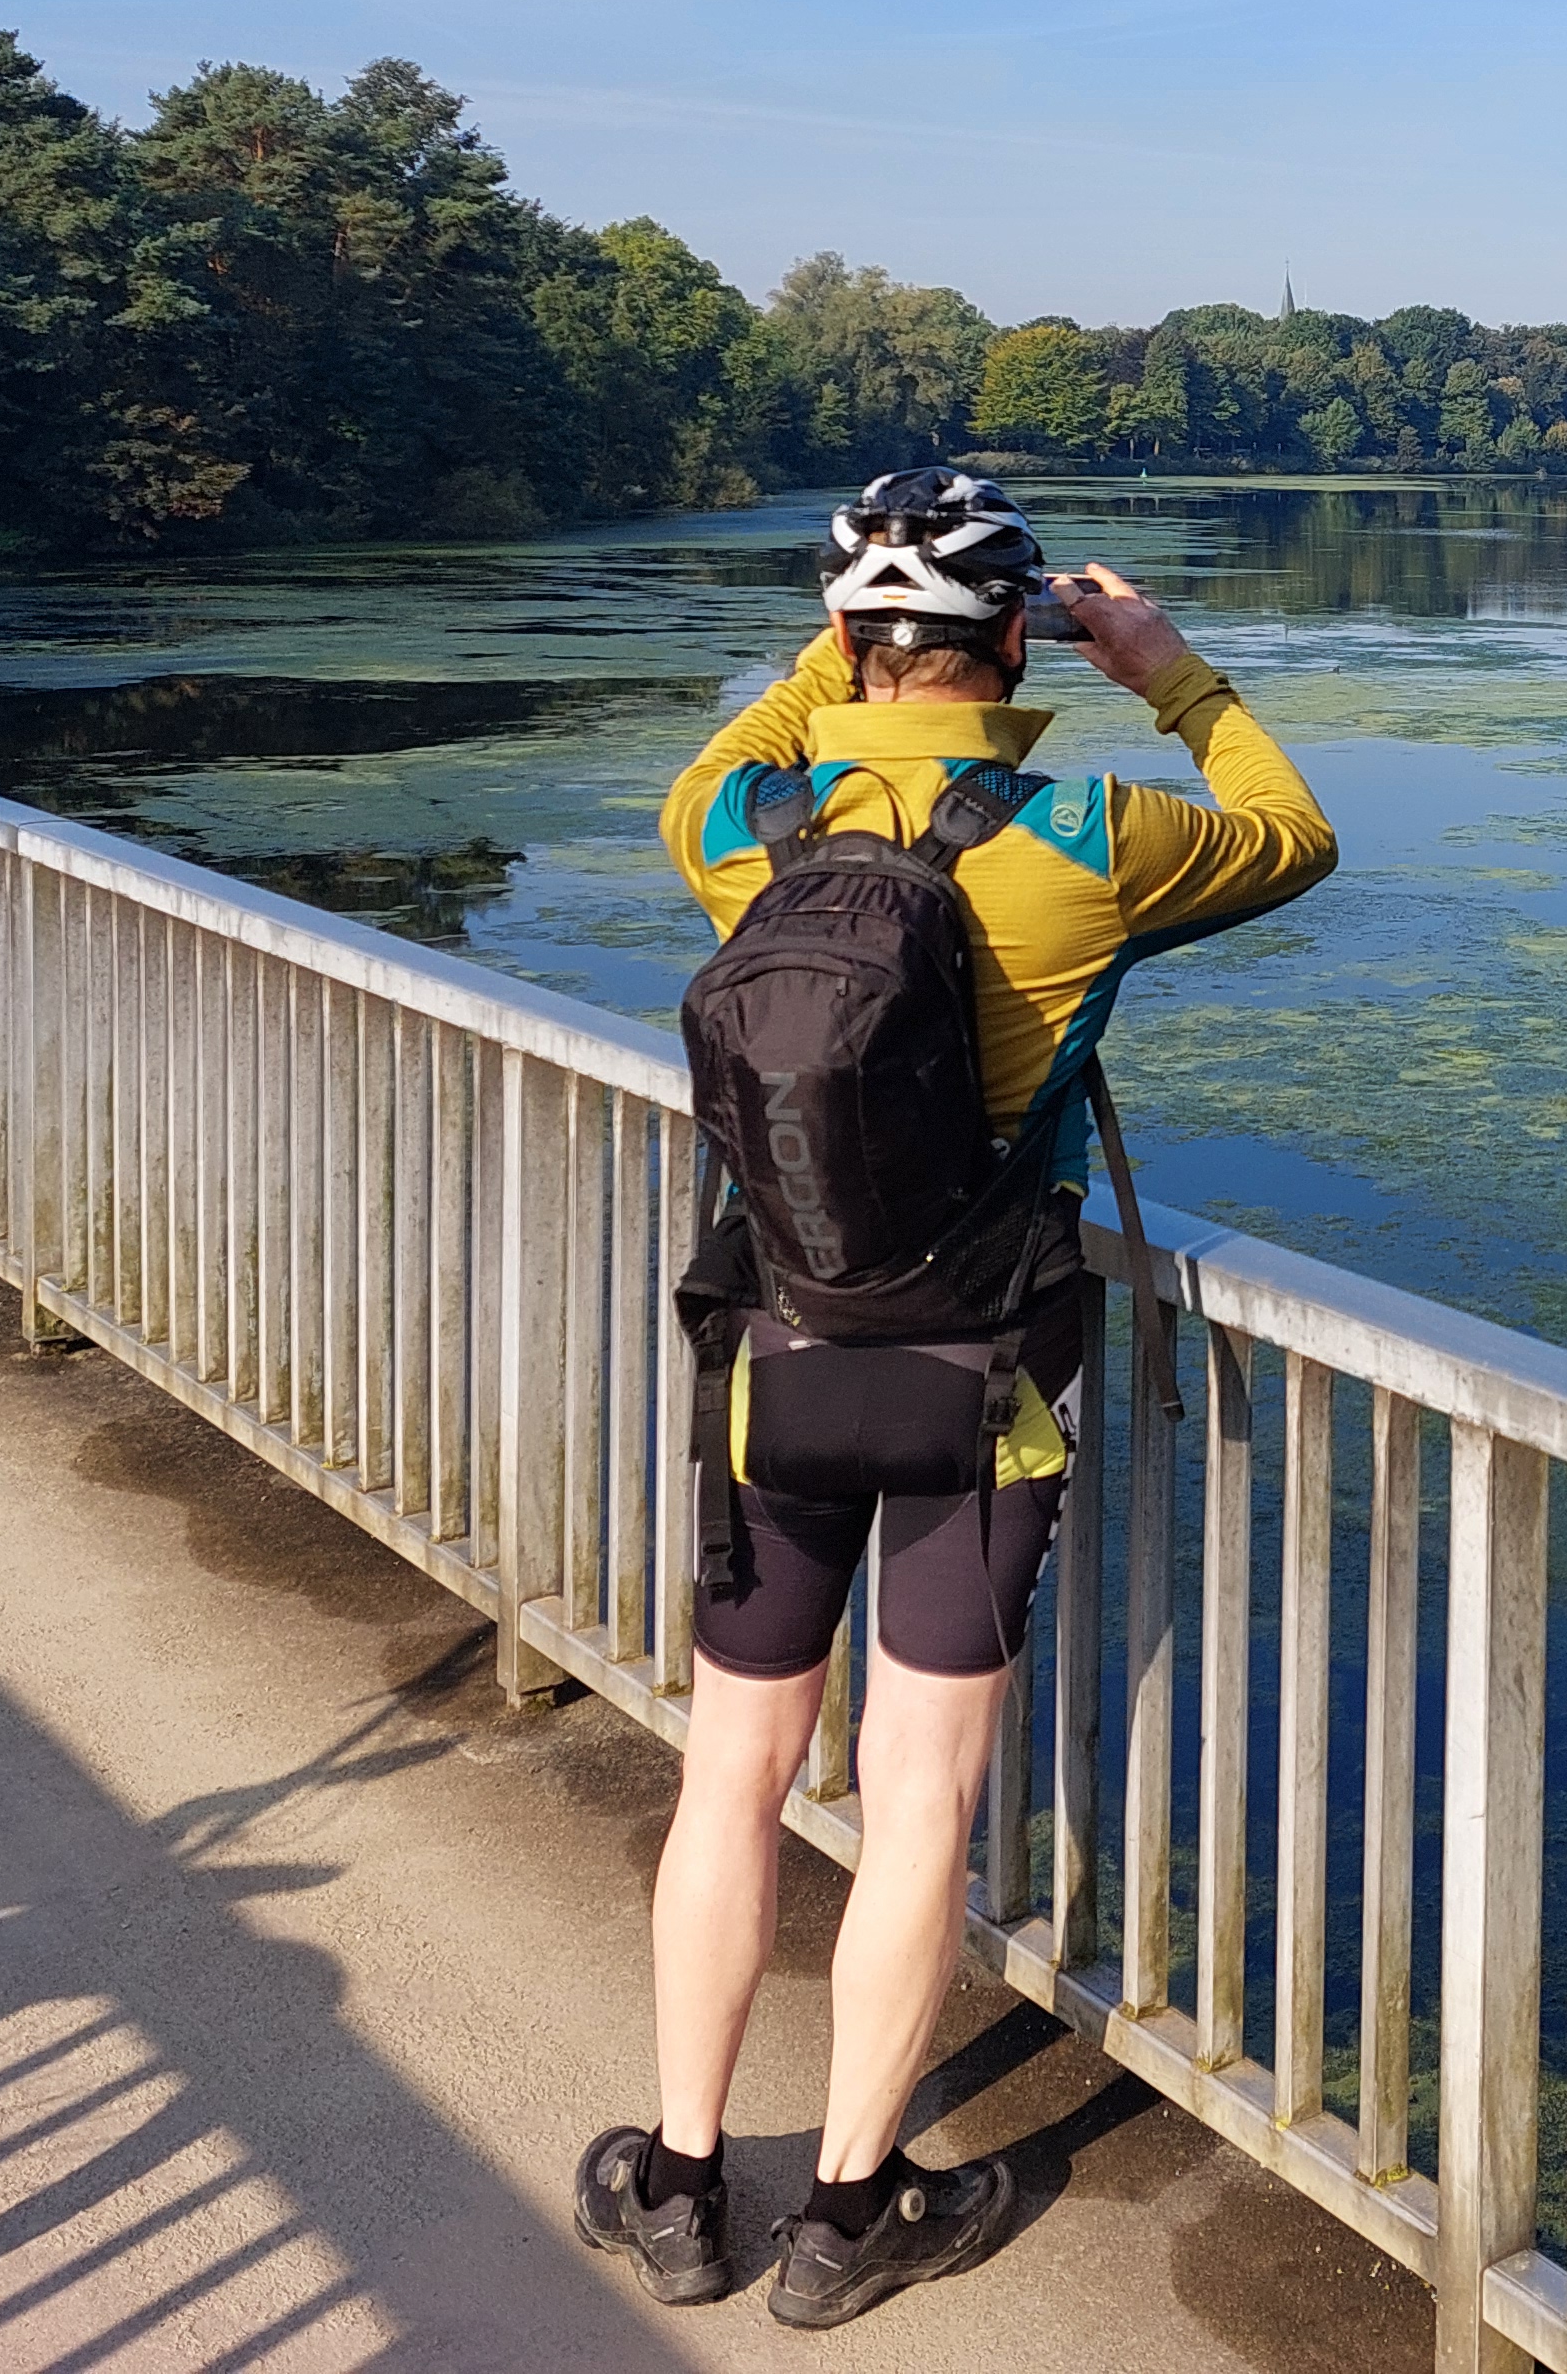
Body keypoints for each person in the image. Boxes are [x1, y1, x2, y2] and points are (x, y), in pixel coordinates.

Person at [575, 469, 1335, 2327]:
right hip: (982, 1372)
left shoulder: (741, 822)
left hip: (771, 1357)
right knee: (918, 1799)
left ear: (844, 640)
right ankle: (848, 2215)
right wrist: (1169, 671)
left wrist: (824, 661)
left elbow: (741, 749)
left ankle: (681, 2185)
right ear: (1020, 639)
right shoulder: (1091, 833)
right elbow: (1294, 833)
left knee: (736, 1772)